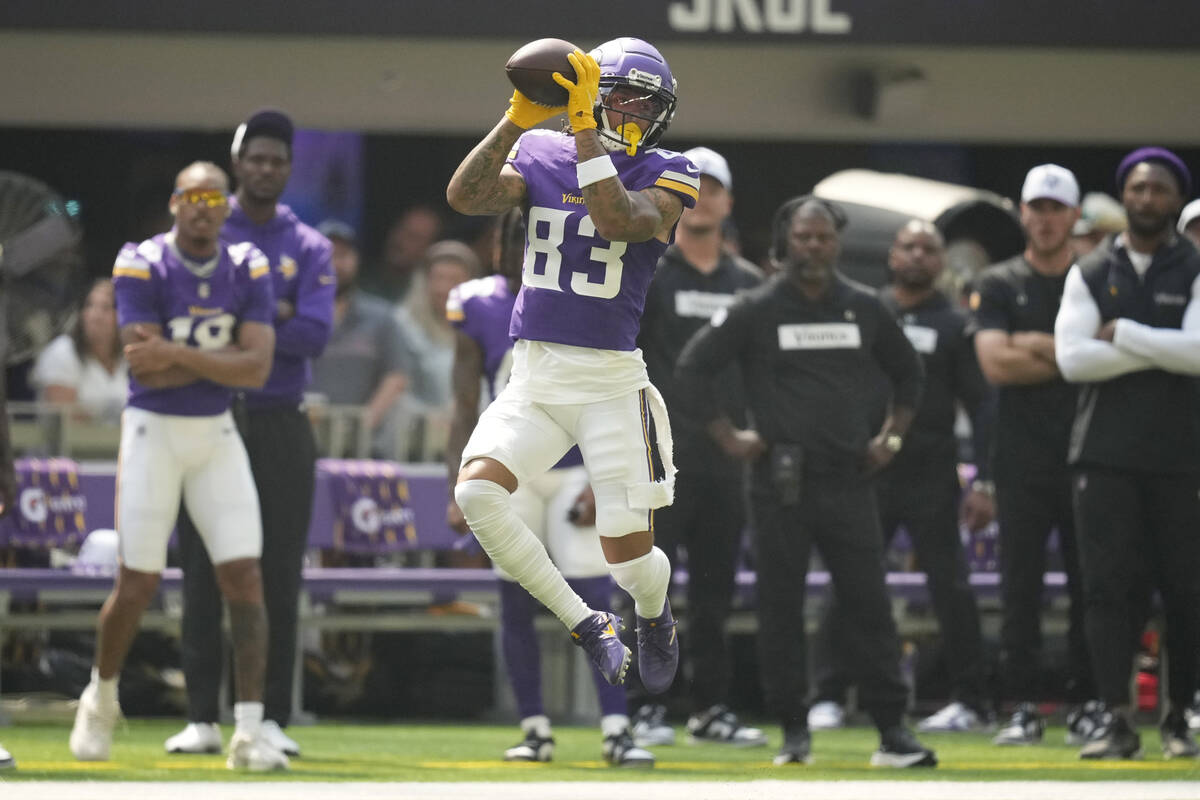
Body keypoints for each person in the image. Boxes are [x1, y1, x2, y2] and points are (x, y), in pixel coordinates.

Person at [445, 37, 695, 720]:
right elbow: (467, 197)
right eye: (628, 96)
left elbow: (621, 219)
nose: (639, 112)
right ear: (597, 92)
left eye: (651, 102)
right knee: (477, 495)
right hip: (534, 372)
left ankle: (652, 610)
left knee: (626, 556)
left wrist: (585, 128)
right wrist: (518, 118)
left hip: (612, 381)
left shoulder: (671, 169)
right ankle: (588, 624)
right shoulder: (543, 149)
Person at [675, 195, 937, 768]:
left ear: (836, 244)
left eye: (822, 238)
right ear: (784, 243)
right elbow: (693, 368)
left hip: (850, 478)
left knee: (869, 606)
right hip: (779, 483)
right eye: (803, 238)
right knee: (780, 610)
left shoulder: (864, 306)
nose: (813, 247)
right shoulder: (757, 306)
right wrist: (728, 436)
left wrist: (891, 437)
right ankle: (795, 730)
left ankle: (893, 731)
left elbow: (910, 374)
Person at [68, 161, 288, 770]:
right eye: (191, 195)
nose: (202, 206)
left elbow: (259, 370)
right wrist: (219, 357)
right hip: (152, 430)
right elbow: (144, 367)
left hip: (215, 432)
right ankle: (101, 698)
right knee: (137, 583)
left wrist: (175, 351)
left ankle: (248, 729)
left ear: (226, 206)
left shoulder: (248, 265)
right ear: (174, 203)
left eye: (212, 196)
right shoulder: (140, 260)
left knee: (244, 578)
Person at [444, 208, 654, 766]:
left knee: (595, 595)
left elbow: (612, 388)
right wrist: (455, 483)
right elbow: (464, 400)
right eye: (509, 237)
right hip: (512, 470)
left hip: (571, 469)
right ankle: (534, 727)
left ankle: (617, 727)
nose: (516, 249)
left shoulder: (579, 292)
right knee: (516, 600)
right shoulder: (477, 303)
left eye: (525, 237)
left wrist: (600, 478)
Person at [165, 110, 335, 759]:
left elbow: (314, 334)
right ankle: (201, 716)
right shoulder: (199, 230)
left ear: (289, 169)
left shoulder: (308, 245)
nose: (265, 169)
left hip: (280, 421)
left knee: (277, 573)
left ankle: (271, 717)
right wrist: (266, 325)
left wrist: (233, 327)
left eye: (277, 161)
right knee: (203, 570)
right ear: (238, 163)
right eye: (256, 158)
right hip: (206, 419)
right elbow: (179, 319)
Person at [806, 220, 993, 734]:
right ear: (892, 256)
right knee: (848, 582)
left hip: (933, 473)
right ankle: (826, 694)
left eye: (928, 249)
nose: (917, 255)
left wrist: (986, 482)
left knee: (951, 587)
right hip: (867, 471)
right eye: (907, 246)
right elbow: (833, 387)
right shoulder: (866, 310)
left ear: (941, 261)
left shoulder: (957, 324)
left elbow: (982, 405)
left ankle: (972, 700)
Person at [1055, 147, 1200, 760]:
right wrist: (1163, 348)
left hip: (1183, 457)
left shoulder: (1194, 265)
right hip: (1105, 456)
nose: (1146, 199)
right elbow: (1072, 359)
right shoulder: (1089, 269)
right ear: (1125, 195)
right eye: (1137, 189)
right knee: (1109, 591)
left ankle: (1178, 719)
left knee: (1187, 590)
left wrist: (1127, 335)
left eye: (1159, 190)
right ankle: (1116, 719)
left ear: (1175, 198)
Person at [629, 146, 765, 748]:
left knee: (715, 593)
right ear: (680, 197)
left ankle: (711, 708)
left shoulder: (751, 285)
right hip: (658, 459)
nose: (705, 197)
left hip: (728, 463)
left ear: (729, 201)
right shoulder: (651, 270)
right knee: (648, 584)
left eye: (716, 188)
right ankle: (645, 708)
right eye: (696, 187)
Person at [969, 164, 1098, 747]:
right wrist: (1070, 350)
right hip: (1018, 460)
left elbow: (1107, 359)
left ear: (1073, 216)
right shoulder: (999, 281)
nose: (1045, 219)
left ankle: (1092, 700)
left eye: (1056, 208)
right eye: (1036, 208)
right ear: (1023, 213)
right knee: (1019, 588)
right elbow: (995, 363)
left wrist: (1034, 345)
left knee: (1093, 583)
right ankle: (1021, 705)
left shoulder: (1095, 277)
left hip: (1090, 454)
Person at [309, 219, 412, 456]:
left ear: (356, 260)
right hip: (298, 439)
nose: (336, 264)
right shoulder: (295, 314)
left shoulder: (381, 317)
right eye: (327, 255)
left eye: (344, 255)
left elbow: (397, 377)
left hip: (364, 447)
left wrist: (362, 426)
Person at [31, 277, 127, 424]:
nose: (95, 316)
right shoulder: (61, 352)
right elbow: (66, 417)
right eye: (89, 305)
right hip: (68, 446)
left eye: (106, 307)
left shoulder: (130, 357)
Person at [362, 204, 443, 302]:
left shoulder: (428, 297)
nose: (400, 240)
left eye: (413, 237)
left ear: (429, 248)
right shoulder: (360, 275)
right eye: (401, 229)